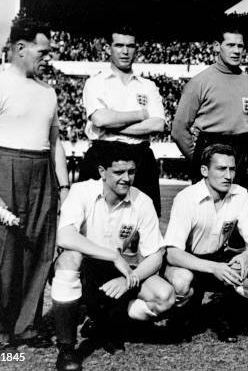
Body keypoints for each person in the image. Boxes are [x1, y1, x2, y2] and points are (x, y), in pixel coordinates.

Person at [0, 17, 69, 350]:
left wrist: (64, 187)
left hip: (41, 173)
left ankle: (27, 325)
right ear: (20, 48)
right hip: (4, 168)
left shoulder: (47, 91)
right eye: (42, 51)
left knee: (38, 252)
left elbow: (55, 143)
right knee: (0, 256)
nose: (47, 57)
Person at [51, 143, 174, 371]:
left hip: (118, 274)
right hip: (85, 271)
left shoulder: (142, 201)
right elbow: (65, 236)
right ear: (102, 172)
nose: (126, 178)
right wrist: (113, 256)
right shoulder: (81, 191)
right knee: (70, 258)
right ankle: (67, 349)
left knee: (164, 296)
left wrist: (130, 278)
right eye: (118, 172)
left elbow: (156, 254)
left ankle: (108, 324)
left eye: (131, 172)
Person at [163, 144, 248, 343]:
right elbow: (173, 253)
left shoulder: (241, 195)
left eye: (232, 169)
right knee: (182, 281)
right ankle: (181, 314)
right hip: (189, 261)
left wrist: (244, 256)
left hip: (218, 257)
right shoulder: (186, 198)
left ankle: (231, 311)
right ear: (204, 171)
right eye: (221, 169)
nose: (228, 175)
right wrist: (214, 268)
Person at [79, 25, 164, 216]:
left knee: (142, 225)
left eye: (130, 46)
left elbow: (158, 124)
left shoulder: (148, 86)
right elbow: (100, 119)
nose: (125, 51)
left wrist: (113, 123)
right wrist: (141, 115)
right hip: (103, 152)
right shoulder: (95, 82)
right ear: (109, 48)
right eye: (119, 45)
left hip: (140, 156)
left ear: (136, 49)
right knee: (94, 219)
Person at [172, 28, 248, 205]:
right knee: (207, 222)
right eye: (230, 45)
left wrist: (239, 158)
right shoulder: (199, 82)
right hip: (209, 149)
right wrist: (202, 159)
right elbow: (178, 130)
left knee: (243, 222)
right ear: (216, 47)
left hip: (242, 159)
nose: (236, 51)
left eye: (240, 46)